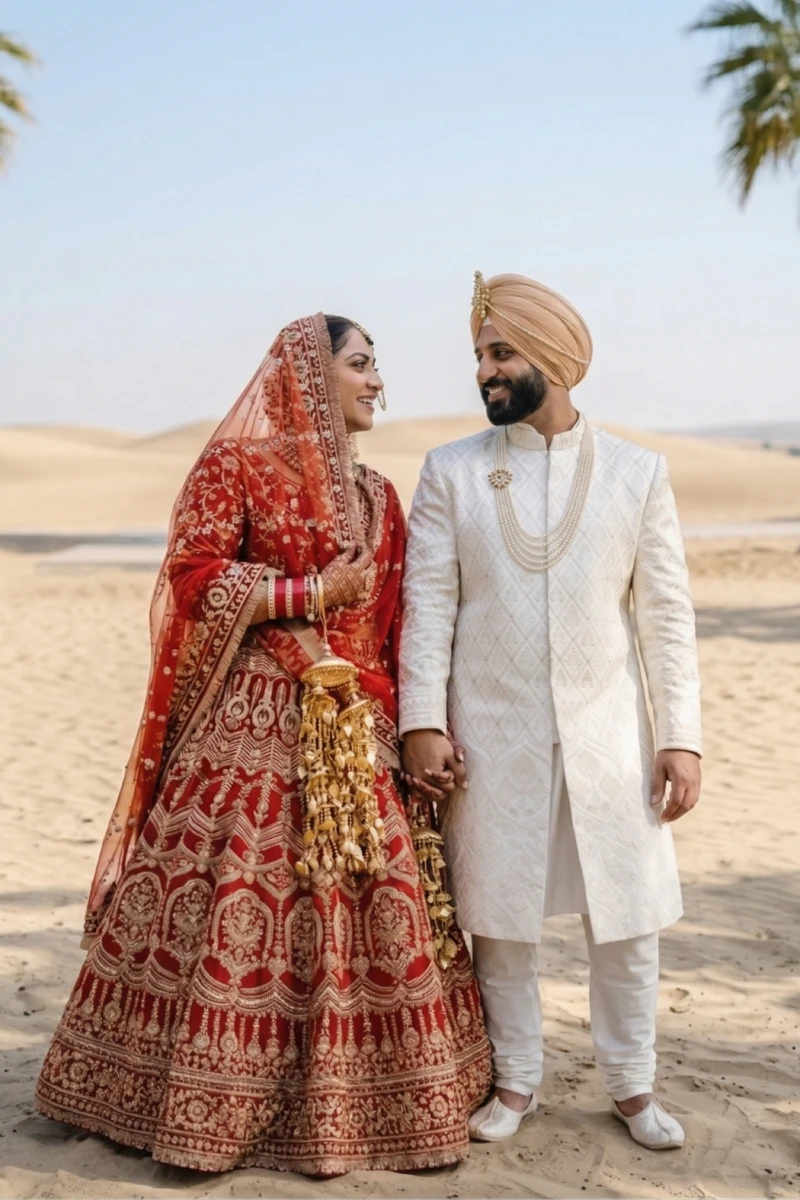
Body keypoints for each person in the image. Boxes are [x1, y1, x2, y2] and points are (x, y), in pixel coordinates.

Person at [36, 312, 491, 1176]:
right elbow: (191, 576)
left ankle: (375, 1101)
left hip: (354, 731)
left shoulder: (382, 497)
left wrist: (406, 729)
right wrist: (307, 590)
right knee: (242, 897)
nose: (377, 382)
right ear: (310, 376)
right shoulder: (238, 466)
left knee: (365, 903)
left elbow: (390, 627)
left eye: (376, 366)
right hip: (251, 721)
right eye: (360, 364)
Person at [399, 273, 702, 1151]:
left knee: (629, 918)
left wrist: (680, 737)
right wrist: (424, 720)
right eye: (480, 357)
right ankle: (518, 1080)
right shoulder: (450, 472)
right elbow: (429, 607)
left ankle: (634, 1086)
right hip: (490, 734)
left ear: (557, 360)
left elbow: (667, 618)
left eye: (501, 354)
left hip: (611, 736)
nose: (485, 373)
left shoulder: (639, 473)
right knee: (500, 917)